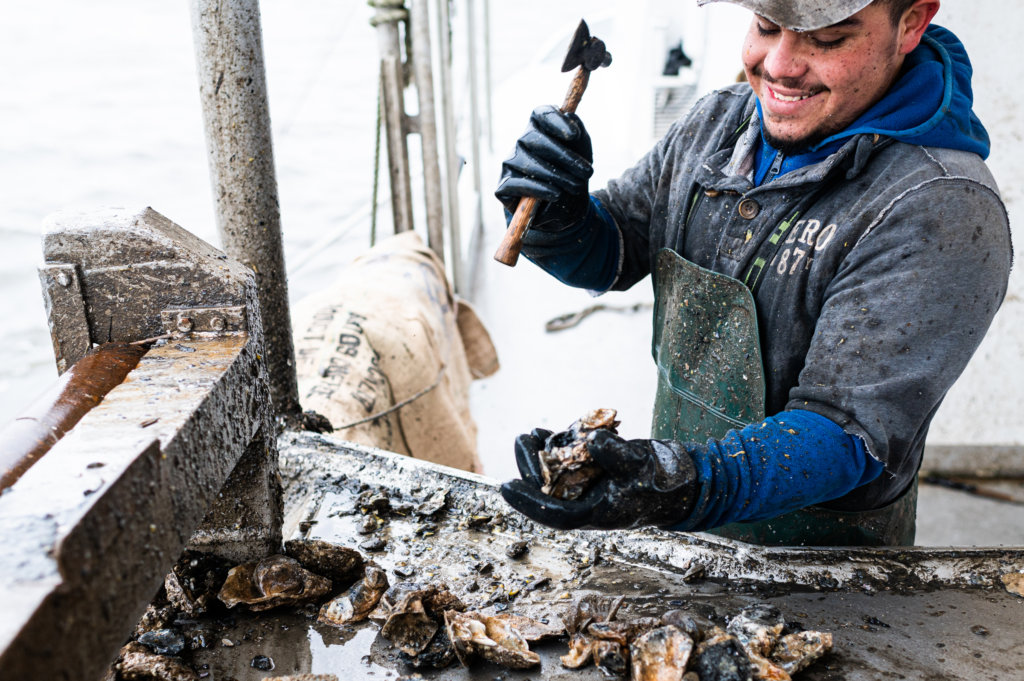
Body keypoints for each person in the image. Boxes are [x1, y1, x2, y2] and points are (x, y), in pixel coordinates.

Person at [494, 0, 1012, 546]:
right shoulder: (717, 120)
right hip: (677, 521)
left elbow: (848, 432)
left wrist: (679, 483)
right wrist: (560, 215)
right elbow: (612, 253)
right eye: (766, 27)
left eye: (828, 38)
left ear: (910, 23)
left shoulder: (942, 206)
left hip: (824, 574)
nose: (781, 65)